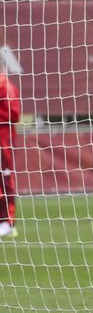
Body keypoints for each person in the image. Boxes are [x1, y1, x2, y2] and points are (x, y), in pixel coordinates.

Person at [0, 69, 20, 239]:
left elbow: (15, 114)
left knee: (5, 179)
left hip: (4, 141)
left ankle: (8, 222)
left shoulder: (6, 86)